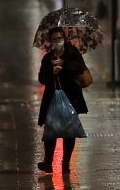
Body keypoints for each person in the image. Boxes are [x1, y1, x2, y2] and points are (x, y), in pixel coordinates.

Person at [37, 27, 88, 174]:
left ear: (64, 39)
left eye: (60, 38)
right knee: (51, 130)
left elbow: (80, 68)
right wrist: (52, 72)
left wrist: (64, 66)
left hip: (71, 98)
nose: (57, 41)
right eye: (54, 39)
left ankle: (65, 164)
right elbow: (42, 78)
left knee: (69, 131)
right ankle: (48, 162)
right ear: (50, 41)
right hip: (52, 98)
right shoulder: (48, 58)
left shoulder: (72, 53)